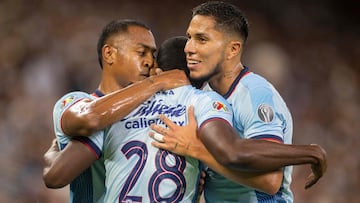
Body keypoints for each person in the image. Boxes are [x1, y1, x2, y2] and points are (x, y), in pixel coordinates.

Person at [149, 2, 327, 203]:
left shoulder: (254, 93)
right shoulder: (203, 95)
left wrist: (196, 150)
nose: (189, 48)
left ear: (232, 49)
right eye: (190, 37)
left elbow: (270, 181)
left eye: (202, 39)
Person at [43, 19, 190, 202]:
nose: (149, 62)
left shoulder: (152, 112)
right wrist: (155, 83)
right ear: (109, 54)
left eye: (153, 55)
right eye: (141, 52)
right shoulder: (75, 101)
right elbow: (90, 118)